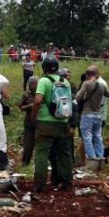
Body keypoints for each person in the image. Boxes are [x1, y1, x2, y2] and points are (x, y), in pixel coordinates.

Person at [32, 55, 74, 192]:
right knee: (64, 153)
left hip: (45, 122)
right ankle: (66, 181)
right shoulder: (65, 82)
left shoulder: (43, 81)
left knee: (42, 153)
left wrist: (34, 116)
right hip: (63, 121)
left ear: (44, 67)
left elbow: (38, 100)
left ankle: (40, 183)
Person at [76, 65, 109, 171]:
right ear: (96, 74)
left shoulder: (86, 83)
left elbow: (78, 97)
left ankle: (92, 159)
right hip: (98, 114)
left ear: (87, 75)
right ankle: (100, 157)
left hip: (87, 114)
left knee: (87, 137)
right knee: (97, 136)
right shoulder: (101, 85)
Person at [19, 76, 38, 167]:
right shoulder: (26, 95)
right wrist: (30, 106)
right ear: (29, 85)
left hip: (40, 122)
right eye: (32, 84)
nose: (34, 86)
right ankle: (25, 162)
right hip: (29, 122)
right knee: (28, 144)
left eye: (36, 83)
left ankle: (39, 162)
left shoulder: (41, 94)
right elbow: (21, 107)